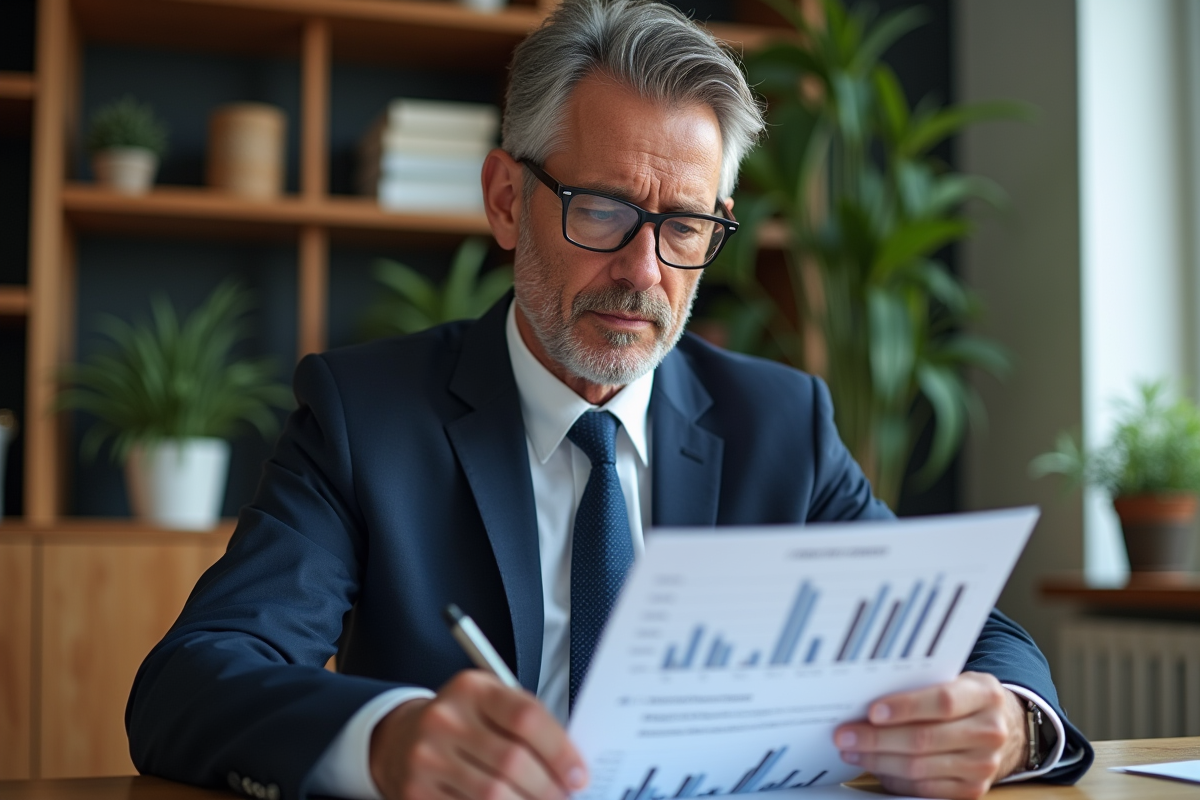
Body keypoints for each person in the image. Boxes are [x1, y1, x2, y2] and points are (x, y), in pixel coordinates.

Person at [126, 2, 1093, 799]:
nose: (643, 272)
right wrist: (387, 739)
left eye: (685, 225)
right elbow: (193, 681)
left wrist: (1008, 722)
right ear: (506, 200)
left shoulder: (779, 425)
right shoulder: (365, 418)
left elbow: (969, 631)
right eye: (602, 210)